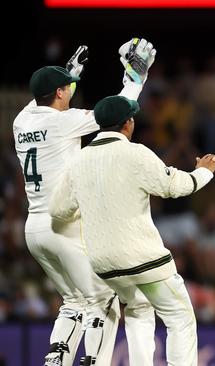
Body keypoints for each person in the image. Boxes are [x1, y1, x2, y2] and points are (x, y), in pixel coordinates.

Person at [12, 38, 155, 366]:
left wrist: (70, 72)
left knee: (73, 301)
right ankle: (94, 361)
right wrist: (135, 80)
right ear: (60, 94)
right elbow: (115, 112)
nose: (71, 90)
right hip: (65, 225)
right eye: (68, 87)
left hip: (34, 229)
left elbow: (48, 96)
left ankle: (56, 359)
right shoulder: (64, 122)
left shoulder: (22, 119)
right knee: (103, 300)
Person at [49, 95, 215, 365]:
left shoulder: (79, 161)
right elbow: (174, 187)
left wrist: (93, 203)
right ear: (127, 123)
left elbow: (58, 210)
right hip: (142, 258)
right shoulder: (134, 153)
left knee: (139, 309)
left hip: (104, 264)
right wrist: (204, 172)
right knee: (179, 317)